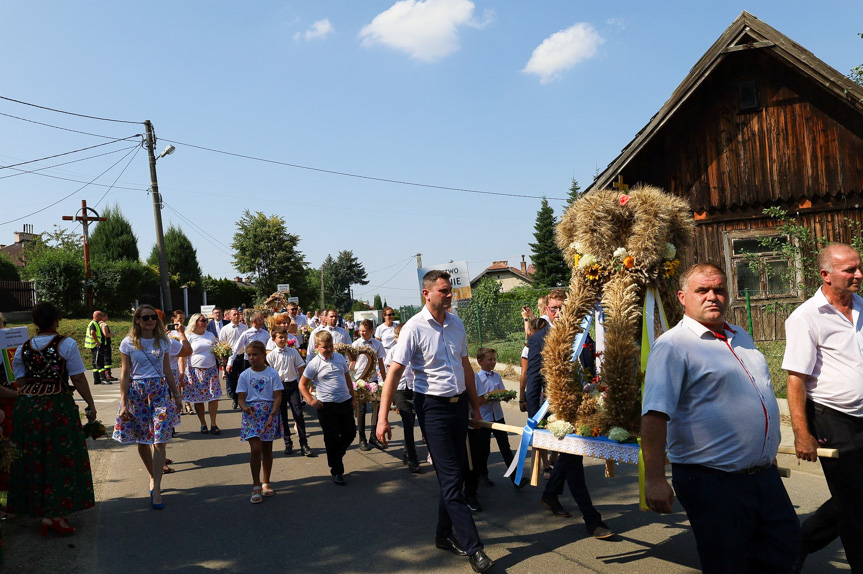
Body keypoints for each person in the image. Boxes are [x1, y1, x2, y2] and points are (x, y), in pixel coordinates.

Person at [642, 263, 800, 573]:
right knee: (729, 563)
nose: (713, 296)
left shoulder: (741, 335)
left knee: (785, 546)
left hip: (761, 474)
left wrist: (764, 451)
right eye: (703, 290)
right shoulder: (673, 346)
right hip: (711, 479)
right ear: (683, 297)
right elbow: (654, 415)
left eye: (719, 290)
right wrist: (655, 478)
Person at [376, 270, 494, 573]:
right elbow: (394, 373)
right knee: (453, 478)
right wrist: (381, 418)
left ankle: (443, 535)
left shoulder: (457, 324)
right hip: (433, 409)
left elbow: (465, 367)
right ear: (427, 294)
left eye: (450, 290)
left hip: (459, 407)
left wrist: (475, 407)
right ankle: (475, 547)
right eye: (444, 290)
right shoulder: (414, 328)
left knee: (452, 476)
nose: (450, 294)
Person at [782, 243, 863, 572]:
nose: (859, 274)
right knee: (856, 504)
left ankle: (797, 545)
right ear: (825, 275)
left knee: (852, 498)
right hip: (832, 419)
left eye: (859, 267)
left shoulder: (861, 306)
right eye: (850, 270)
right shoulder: (806, 317)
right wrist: (802, 434)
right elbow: (796, 380)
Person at [8, 301, 97, 535]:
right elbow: (77, 378)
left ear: (36, 322)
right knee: (59, 456)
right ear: (56, 319)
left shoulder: (22, 348)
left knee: (34, 457)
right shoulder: (65, 344)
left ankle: (40, 510)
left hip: (28, 407)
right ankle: (55, 514)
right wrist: (90, 403)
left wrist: (37, 385)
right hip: (56, 405)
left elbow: (22, 381)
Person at [528, 289, 608, 537]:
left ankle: (551, 494)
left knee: (571, 456)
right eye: (554, 309)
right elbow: (533, 381)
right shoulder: (538, 339)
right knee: (574, 461)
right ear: (546, 311)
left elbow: (592, 366)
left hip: (582, 407)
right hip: (554, 410)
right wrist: (535, 420)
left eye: (564, 308)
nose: (559, 313)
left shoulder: (582, 335)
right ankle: (592, 520)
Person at [112, 304, 183, 510]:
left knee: (160, 439)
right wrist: (124, 402)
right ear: (137, 320)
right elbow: (125, 374)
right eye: (145, 318)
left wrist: (177, 395)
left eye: (153, 317)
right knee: (143, 438)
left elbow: (167, 371)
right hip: (137, 392)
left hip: (159, 390)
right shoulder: (128, 343)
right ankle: (152, 476)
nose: (150, 320)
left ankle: (158, 487)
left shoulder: (163, 341)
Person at [299, 331, 356, 486]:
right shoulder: (314, 364)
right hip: (326, 406)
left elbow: (347, 378)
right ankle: (337, 471)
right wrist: (310, 400)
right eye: (325, 347)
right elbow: (302, 384)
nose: (330, 349)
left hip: (344, 401)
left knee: (350, 432)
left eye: (331, 346)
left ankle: (335, 455)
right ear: (317, 347)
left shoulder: (339, 358)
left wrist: (353, 397)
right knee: (331, 438)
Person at [464, 347, 517, 504]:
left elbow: (502, 390)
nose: (493, 362)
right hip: (484, 418)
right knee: (483, 449)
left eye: (494, 359)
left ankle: (516, 477)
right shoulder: (478, 378)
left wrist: (505, 396)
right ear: (480, 362)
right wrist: (488, 397)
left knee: (505, 447)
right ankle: (483, 475)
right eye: (490, 360)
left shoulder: (497, 376)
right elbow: (478, 400)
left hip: (497, 416)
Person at [237, 340, 283, 503]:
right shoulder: (245, 375)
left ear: (264, 355)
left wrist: (273, 413)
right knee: (255, 449)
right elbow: (241, 398)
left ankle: (266, 482)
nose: (252, 358)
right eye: (249, 355)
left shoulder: (272, 373)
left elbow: (278, 396)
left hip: (268, 413)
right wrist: (245, 408)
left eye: (255, 354)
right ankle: (255, 484)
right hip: (252, 415)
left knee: (267, 449)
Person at [266, 326, 314, 457]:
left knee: (298, 414)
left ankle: (304, 443)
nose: (283, 339)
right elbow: (269, 374)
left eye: (284, 337)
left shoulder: (293, 353)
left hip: (292, 386)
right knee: (283, 417)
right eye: (280, 337)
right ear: (274, 339)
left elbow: (300, 369)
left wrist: (307, 384)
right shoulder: (271, 356)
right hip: (279, 388)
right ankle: (288, 442)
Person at [386, 323, 422, 473]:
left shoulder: (415, 350)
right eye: (395, 337)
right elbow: (390, 374)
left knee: (420, 420)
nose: (397, 340)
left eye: (399, 337)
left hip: (415, 388)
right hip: (400, 390)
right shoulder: (393, 351)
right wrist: (391, 396)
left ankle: (412, 452)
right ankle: (412, 458)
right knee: (408, 420)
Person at [184, 313, 222, 435]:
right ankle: (203, 423)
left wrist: (222, 355)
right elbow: (183, 356)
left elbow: (217, 351)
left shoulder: (210, 335)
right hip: (195, 371)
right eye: (202, 320)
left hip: (211, 370)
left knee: (214, 397)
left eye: (205, 320)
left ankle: (214, 423)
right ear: (195, 323)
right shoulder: (188, 336)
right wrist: (182, 372)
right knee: (198, 399)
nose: (205, 322)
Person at [353, 319, 387, 451]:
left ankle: (373, 435)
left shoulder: (377, 344)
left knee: (376, 406)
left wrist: (384, 380)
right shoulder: (356, 344)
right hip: (360, 379)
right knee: (361, 409)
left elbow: (381, 362)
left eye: (364, 331)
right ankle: (362, 438)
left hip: (372, 378)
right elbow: (351, 362)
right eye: (360, 330)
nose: (362, 333)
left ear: (371, 332)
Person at [220, 308, 248, 409]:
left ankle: (243, 398)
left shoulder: (245, 328)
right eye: (234, 315)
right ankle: (235, 398)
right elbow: (222, 344)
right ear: (230, 316)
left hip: (243, 356)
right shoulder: (225, 329)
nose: (236, 316)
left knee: (243, 378)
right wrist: (224, 360)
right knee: (232, 380)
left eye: (237, 314)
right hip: (231, 358)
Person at [85, 310, 108, 384]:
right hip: (95, 346)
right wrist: (97, 342)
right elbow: (92, 332)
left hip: (95, 346)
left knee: (95, 362)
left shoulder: (95, 323)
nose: (102, 316)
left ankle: (97, 379)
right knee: (99, 362)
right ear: (96, 316)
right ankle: (103, 378)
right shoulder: (93, 323)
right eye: (101, 315)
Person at [99, 313, 118, 382]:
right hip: (106, 344)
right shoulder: (104, 325)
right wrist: (112, 334)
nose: (107, 317)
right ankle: (108, 375)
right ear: (103, 317)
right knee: (107, 359)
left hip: (102, 344)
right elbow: (106, 334)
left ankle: (106, 374)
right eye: (106, 316)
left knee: (104, 359)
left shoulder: (98, 324)